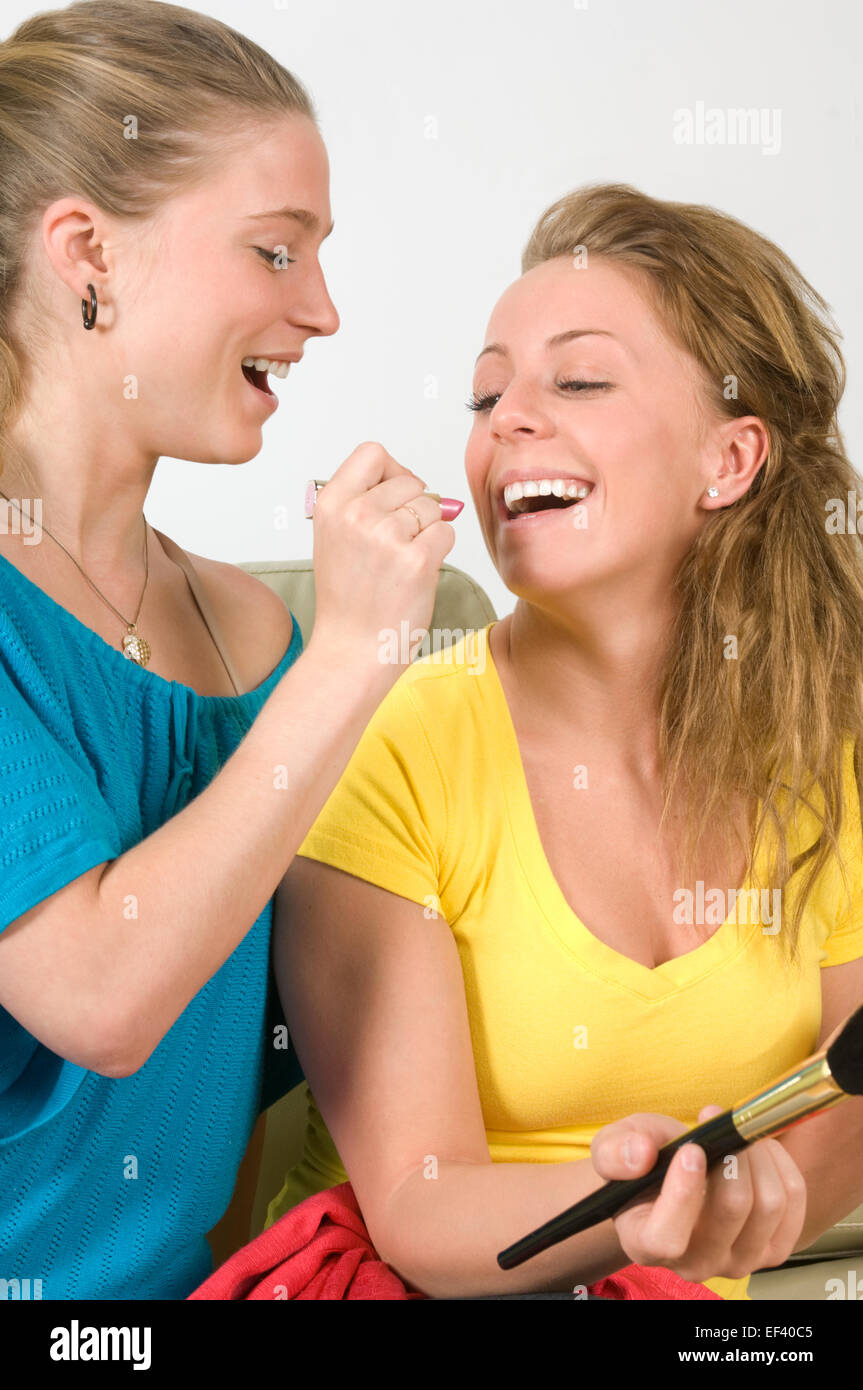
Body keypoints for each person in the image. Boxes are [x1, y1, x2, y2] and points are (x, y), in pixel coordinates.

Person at [270, 182, 863, 1301]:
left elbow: (850, 1101)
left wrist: (733, 1215)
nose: (506, 420)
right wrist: (658, 1207)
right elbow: (420, 1205)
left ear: (728, 461)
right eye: (486, 392)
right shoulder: (392, 746)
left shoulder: (821, 741)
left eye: (577, 379)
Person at [0, 0, 455, 1299]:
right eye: (274, 250)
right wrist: (355, 650)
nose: (319, 308)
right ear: (86, 252)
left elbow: (262, 1067)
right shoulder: (311, 652)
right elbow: (101, 995)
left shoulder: (254, 632)